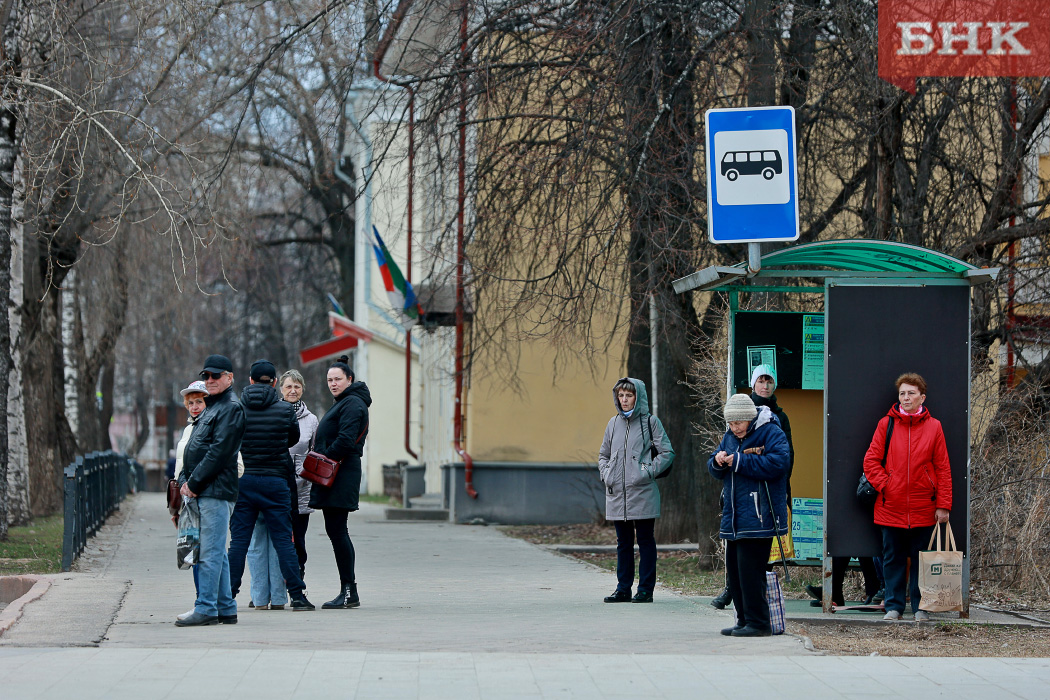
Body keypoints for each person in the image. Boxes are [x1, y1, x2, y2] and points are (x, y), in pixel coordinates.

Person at [863, 372, 952, 622]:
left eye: (911, 393)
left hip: (925, 506)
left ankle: (921, 607)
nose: (906, 397)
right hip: (890, 505)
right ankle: (894, 606)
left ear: (922, 397)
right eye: (902, 393)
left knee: (924, 560)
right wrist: (887, 485)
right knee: (893, 559)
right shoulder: (886, 424)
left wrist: (944, 505)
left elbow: (943, 467)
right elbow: (870, 461)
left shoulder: (934, 427)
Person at [226, 360, 314, 612]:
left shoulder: (238, 410)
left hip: (245, 482)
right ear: (275, 383)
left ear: (250, 381)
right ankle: (297, 595)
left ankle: (228, 594)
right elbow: (293, 438)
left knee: (239, 542)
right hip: (276, 482)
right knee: (284, 541)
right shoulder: (285, 410)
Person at [712, 364, 794, 610]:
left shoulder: (774, 423)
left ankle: (756, 619)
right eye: (761, 381)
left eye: (769, 381)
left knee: (753, 568)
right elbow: (717, 459)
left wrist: (738, 461)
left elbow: (782, 460)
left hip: (761, 506)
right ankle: (743, 618)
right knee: (738, 569)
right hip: (735, 511)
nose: (765, 386)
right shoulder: (733, 426)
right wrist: (717, 462)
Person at [176, 355, 245, 627]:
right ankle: (226, 607)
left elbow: (219, 453)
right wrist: (185, 479)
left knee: (210, 552)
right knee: (215, 550)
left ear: (229, 377)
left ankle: (206, 608)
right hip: (207, 490)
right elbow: (195, 448)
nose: (210, 380)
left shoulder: (230, 408)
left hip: (214, 491)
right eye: (207, 376)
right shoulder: (212, 408)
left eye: (216, 376)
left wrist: (192, 483)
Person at [597, 377, 674, 604]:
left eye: (628, 396)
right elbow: (603, 455)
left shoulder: (650, 422)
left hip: (642, 492)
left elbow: (667, 452)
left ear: (637, 397)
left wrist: (646, 471)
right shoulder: (612, 424)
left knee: (645, 540)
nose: (624, 400)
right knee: (623, 543)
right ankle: (623, 589)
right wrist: (606, 473)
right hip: (617, 493)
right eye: (621, 396)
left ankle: (645, 590)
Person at [310, 355, 371, 609]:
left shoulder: (353, 403)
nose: (333, 384)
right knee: (336, 531)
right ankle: (348, 590)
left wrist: (323, 460)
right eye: (329, 380)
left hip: (340, 474)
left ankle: (349, 591)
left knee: (338, 531)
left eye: (337, 379)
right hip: (338, 473)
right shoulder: (345, 402)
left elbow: (346, 441)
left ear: (350, 379)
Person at [173, 380, 209, 610]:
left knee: (206, 551)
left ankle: (206, 600)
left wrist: (194, 483)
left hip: (205, 494)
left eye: (199, 401)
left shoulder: (211, 425)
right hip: (187, 496)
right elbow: (182, 464)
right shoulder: (188, 428)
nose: (195, 406)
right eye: (191, 403)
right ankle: (202, 598)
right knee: (193, 550)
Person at [280, 369, 318, 582]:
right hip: (277, 483)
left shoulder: (311, 420)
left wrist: (304, 475)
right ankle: (275, 583)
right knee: (278, 537)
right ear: (281, 389)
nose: (293, 390)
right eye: (288, 386)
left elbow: (314, 451)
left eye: (297, 386)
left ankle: (297, 580)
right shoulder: (273, 412)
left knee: (299, 538)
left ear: (302, 389)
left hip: (302, 487)